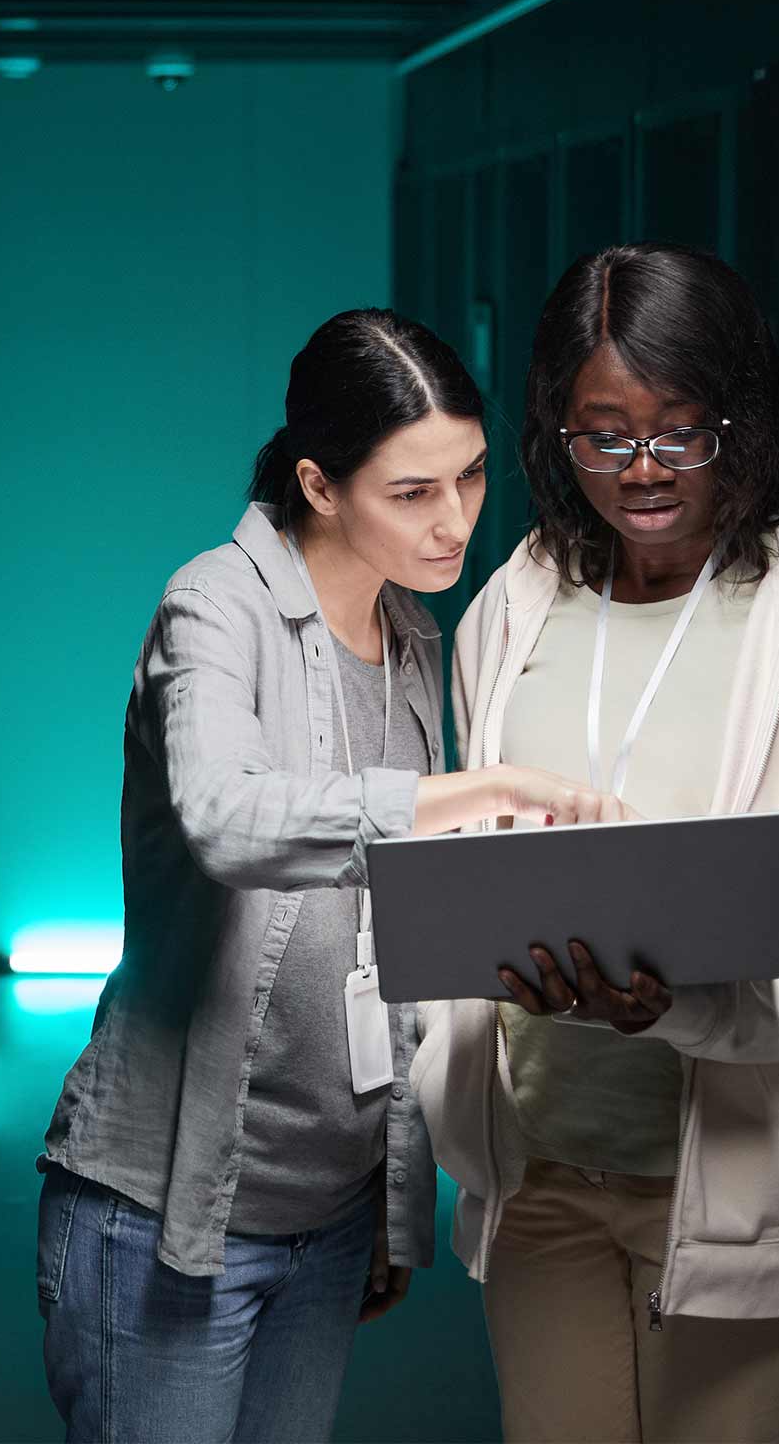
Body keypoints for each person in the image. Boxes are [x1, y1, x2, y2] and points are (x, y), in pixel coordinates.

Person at [35, 308, 629, 1444]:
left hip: (329, 1216)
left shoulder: (414, 639)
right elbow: (227, 817)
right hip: (166, 1210)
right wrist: (467, 790)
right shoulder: (215, 606)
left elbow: (387, 943)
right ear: (318, 482)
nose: (455, 519)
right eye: (413, 491)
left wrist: (390, 1202)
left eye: (470, 475)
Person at [412, 244, 779, 1444]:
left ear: (743, 420)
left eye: (680, 431)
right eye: (603, 436)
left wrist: (681, 1004)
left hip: (742, 1202)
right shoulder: (514, 605)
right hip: (542, 1182)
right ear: (556, 433)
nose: (642, 469)